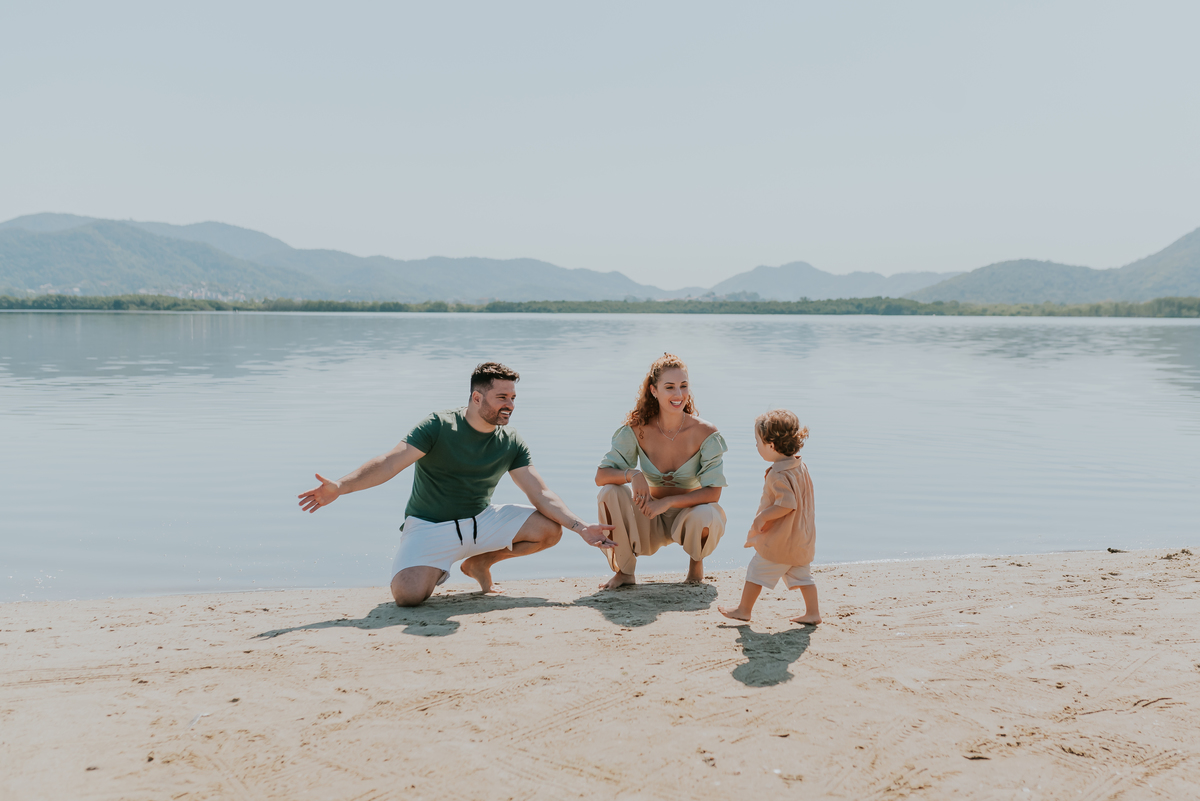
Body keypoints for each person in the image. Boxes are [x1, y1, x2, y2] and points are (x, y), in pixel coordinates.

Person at [298, 362, 616, 606]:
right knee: (408, 597)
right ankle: (436, 565)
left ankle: (480, 563)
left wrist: (581, 527)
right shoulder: (438, 426)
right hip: (429, 526)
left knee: (550, 529)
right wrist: (340, 486)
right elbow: (389, 462)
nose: (510, 404)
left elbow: (540, 492)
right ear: (477, 397)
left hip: (481, 521)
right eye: (501, 397)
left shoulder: (511, 440)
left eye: (513, 397)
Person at [594, 353, 728, 590]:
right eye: (670, 387)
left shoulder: (705, 432)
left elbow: (713, 493)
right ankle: (625, 571)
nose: (678, 395)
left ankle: (696, 565)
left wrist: (667, 503)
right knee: (609, 493)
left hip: (688, 518)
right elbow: (601, 475)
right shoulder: (637, 430)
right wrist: (633, 475)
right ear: (654, 390)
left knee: (707, 513)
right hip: (648, 516)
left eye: (683, 386)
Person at [718, 409, 820, 625]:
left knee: (756, 570)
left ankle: (744, 610)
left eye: (758, 442)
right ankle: (813, 613)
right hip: (801, 538)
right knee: (803, 576)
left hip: (781, 540)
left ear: (771, 445)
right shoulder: (800, 466)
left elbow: (787, 504)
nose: (756, 446)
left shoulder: (778, 474)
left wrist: (762, 518)